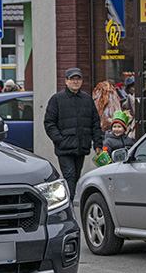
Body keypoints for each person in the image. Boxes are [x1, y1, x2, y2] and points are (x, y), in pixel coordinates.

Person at [44, 67, 104, 200]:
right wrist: (59, 140)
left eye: (78, 79)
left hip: (81, 147)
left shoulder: (87, 99)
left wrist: (98, 144)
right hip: (64, 148)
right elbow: (49, 123)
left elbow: (95, 123)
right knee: (70, 175)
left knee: (76, 176)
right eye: (72, 79)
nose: (75, 82)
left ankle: (67, 201)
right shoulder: (57, 99)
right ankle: (69, 204)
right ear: (66, 81)